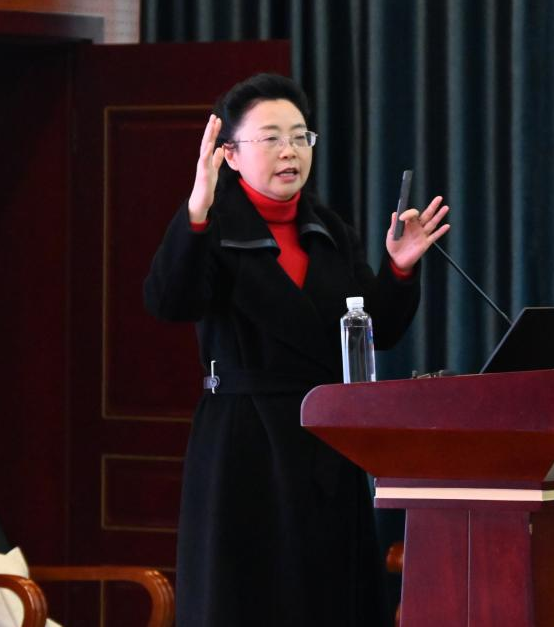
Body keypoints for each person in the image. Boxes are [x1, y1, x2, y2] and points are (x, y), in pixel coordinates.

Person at [143, 73, 449, 626]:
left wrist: (399, 269)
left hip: (325, 438)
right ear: (230, 155)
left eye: (299, 136)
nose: (290, 151)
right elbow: (169, 301)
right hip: (244, 444)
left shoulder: (328, 228)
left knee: (327, 597)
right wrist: (196, 210)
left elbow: (376, 329)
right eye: (271, 138)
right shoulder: (211, 225)